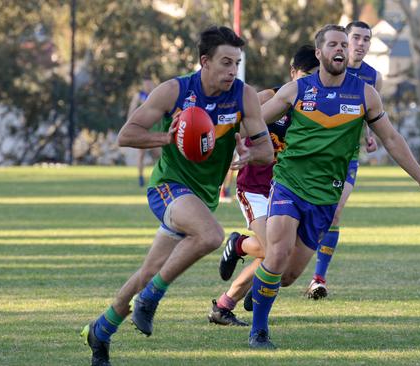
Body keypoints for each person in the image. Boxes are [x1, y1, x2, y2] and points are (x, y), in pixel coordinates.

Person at [248, 24, 420, 349]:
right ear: (319, 53)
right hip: (289, 183)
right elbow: (256, 120)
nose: (340, 49)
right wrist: (230, 138)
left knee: (287, 276)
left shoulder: (364, 94)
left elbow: (392, 138)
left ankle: (261, 289)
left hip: (326, 195)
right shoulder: (297, 89)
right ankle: (259, 330)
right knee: (277, 253)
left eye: (343, 44)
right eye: (333, 44)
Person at [80, 25, 274, 366]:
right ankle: (150, 298)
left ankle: (102, 329)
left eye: (236, 63)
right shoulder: (174, 91)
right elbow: (127, 134)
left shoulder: (243, 95)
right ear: (205, 61)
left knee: (148, 270)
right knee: (212, 235)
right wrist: (167, 139)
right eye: (226, 62)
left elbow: (265, 150)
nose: (232, 71)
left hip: (201, 196)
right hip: (168, 186)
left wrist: (249, 155)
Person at [207, 45, 319, 327]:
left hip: (284, 190)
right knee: (274, 252)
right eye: (306, 75)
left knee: (280, 257)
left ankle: (224, 305)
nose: (309, 83)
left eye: (316, 77)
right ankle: (240, 245)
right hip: (254, 188)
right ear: (293, 73)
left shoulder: (313, 110)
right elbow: (237, 123)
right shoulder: (270, 97)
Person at [305, 20, 380, 300]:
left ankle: (318, 278)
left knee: (335, 212)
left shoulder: (373, 78)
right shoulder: (322, 73)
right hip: (310, 161)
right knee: (302, 220)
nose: (360, 44)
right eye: (356, 38)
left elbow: (372, 114)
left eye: (366, 39)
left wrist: (369, 135)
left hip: (347, 158)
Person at [127, 76, 158, 187]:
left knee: (159, 154)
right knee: (141, 154)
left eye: (149, 84)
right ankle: (140, 177)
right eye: (146, 84)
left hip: (154, 129)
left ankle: (159, 177)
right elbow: (132, 110)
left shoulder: (156, 94)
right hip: (142, 129)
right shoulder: (139, 96)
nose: (148, 86)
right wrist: (130, 125)